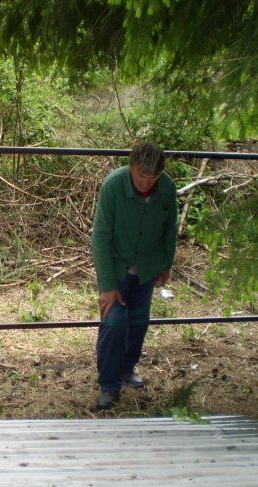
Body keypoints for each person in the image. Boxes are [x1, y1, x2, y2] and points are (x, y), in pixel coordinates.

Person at [91, 141, 177, 410]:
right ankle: (109, 385)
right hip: (117, 267)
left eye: (153, 177)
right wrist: (107, 286)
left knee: (138, 323)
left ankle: (127, 369)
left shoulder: (167, 187)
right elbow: (101, 237)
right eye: (141, 175)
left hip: (147, 268)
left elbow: (169, 227)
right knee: (113, 325)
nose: (146, 182)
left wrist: (166, 262)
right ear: (131, 168)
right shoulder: (114, 185)